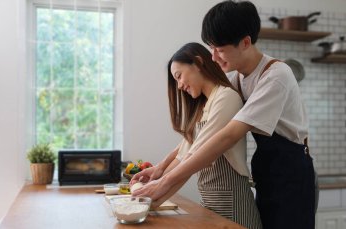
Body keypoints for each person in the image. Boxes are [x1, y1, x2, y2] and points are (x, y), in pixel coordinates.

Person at [131, 1, 315, 229]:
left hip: (293, 172)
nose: (214, 57)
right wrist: (161, 168)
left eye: (219, 49)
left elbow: (228, 135)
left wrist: (166, 181)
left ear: (245, 42)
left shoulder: (276, 76)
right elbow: (200, 135)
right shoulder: (236, 80)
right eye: (211, 49)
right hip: (267, 171)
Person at [130, 42, 262, 228]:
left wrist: (155, 195)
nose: (179, 86)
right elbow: (185, 150)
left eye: (179, 76)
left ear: (198, 63)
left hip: (232, 202)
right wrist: (158, 172)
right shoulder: (205, 105)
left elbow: (194, 157)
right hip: (210, 201)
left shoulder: (226, 98)